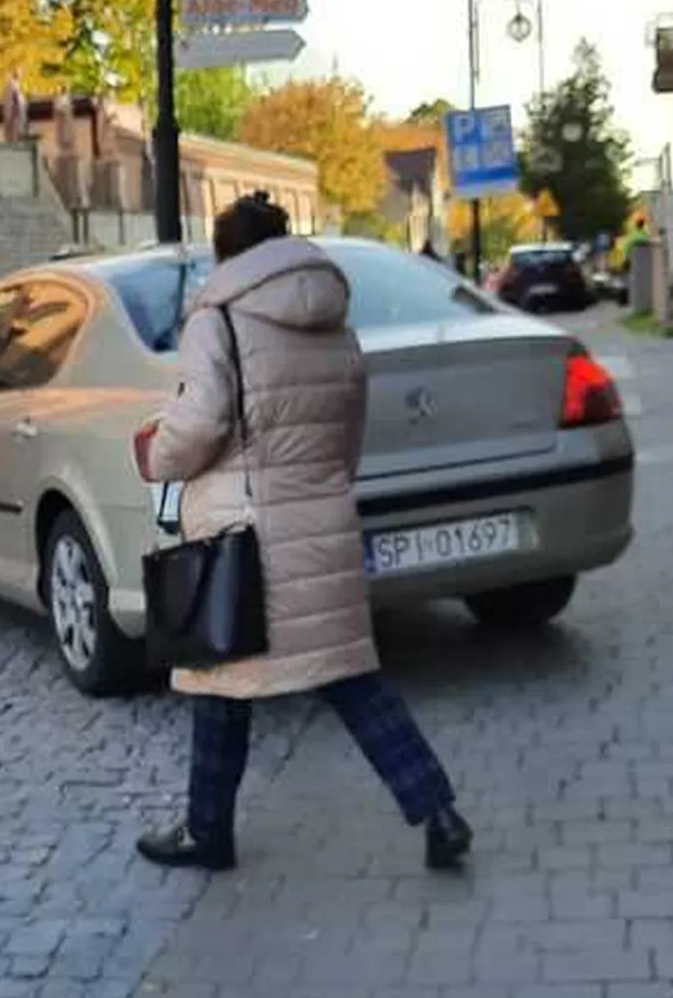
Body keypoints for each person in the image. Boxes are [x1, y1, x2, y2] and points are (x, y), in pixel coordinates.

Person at [134, 193, 473, 875]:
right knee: (351, 679)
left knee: (218, 675)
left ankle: (207, 832)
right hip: (319, 519)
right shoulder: (330, 319)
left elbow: (199, 422)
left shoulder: (217, 319)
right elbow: (346, 432)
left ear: (226, 254)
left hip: (244, 530)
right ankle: (438, 812)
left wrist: (156, 456)